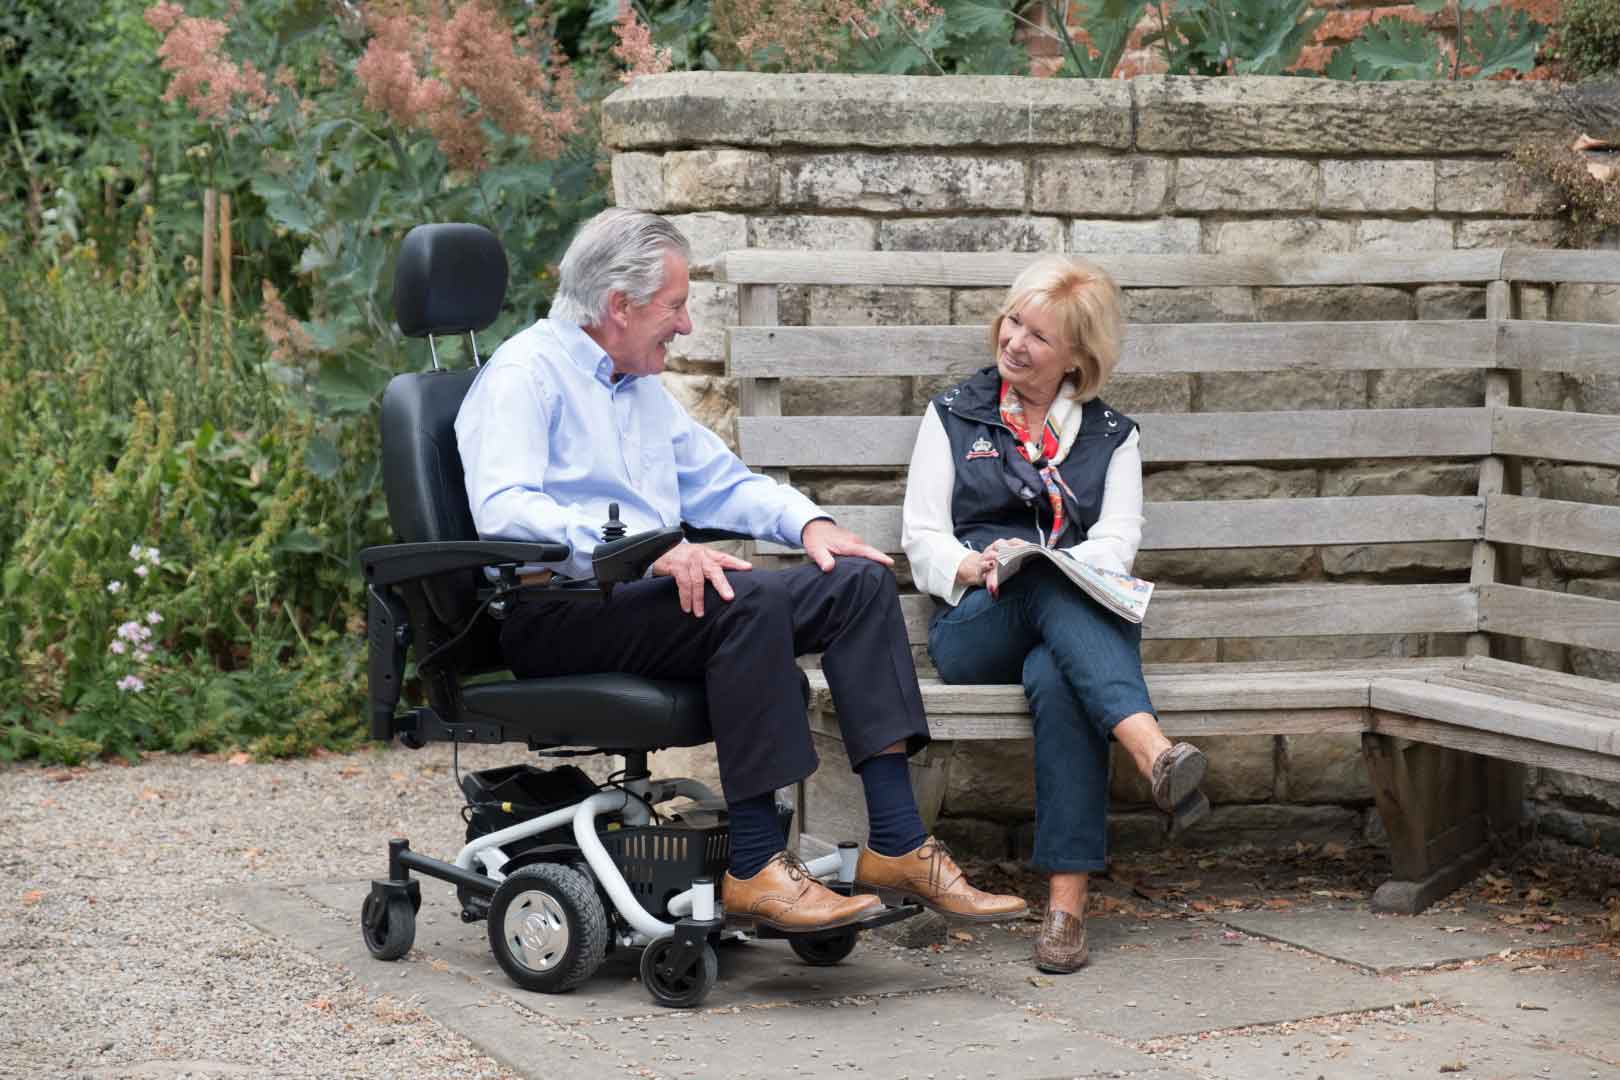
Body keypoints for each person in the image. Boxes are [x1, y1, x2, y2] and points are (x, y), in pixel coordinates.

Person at [455, 208, 1026, 934]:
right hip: (557, 611)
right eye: (675, 306)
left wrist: (810, 523)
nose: (687, 325)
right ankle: (756, 865)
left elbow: (724, 483)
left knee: (855, 581)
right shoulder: (522, 376)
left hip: (645, 599)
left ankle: (898, 844)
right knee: (743, 597)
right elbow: (503, 512)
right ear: (618, 306)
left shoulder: (634, 388)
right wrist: (645, 546)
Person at [900, 254, 1210, 974]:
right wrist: (978, 565)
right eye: (1013, 321)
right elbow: (921, 538)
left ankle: (1064, 913)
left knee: (1061, 667)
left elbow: (1118, 541)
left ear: (1077, 355)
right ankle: (1152, 751)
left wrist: (1059, 562)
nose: (1015, 341)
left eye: (1038, 336)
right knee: (1038, 577)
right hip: (978, 623)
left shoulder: (1112, 436)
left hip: (1066, 633)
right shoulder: (954, 415)